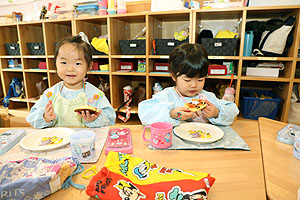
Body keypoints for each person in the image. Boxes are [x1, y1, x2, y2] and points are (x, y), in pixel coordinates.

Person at [138, 43, 239, 126]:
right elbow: (145, 114)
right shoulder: (167, 96)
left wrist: (217, 113)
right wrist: (172, 114)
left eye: (200, 80)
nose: (194, 85)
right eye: (187, 80)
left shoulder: (207, 97)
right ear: (173, 76)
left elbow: (232, 110)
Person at [26, 35, 116, 128]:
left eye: (77, 63)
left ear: (89, 66)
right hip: (58, 140)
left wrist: (95, 120)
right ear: (55, 64)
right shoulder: (50, 94)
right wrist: (45, 118)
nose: (70, 69)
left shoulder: (95, 95)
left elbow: (110, 119)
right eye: (64, 63)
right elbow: (33, 118)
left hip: (85, 140)